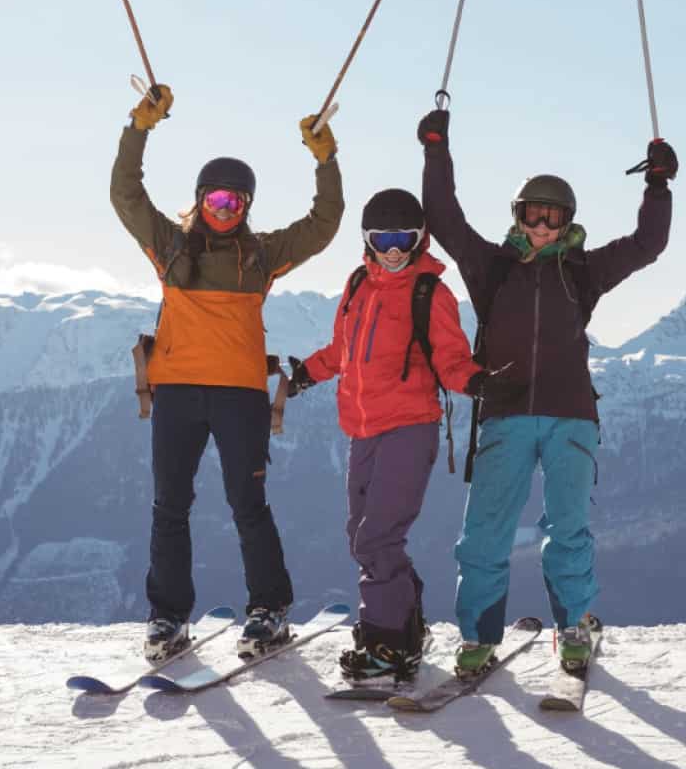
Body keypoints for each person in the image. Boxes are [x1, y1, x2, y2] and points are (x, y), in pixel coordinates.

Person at [415, 106, 675, 677]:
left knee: (568, 530)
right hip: (505, 414)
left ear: (567, 222)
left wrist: (657, 185)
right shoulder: (491, 267)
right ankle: (478, 637)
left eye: (553, 217)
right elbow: (444, 216)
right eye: (534, 214)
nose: (542, 225)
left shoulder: (582, 271)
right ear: (518, 216)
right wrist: (436, 149)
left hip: (570, 417)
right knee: (484, 533)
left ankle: (574, 628)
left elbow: (648, 244)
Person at [110, 84, 343, 661]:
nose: (224, 211)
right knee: (170, 506)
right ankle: (167, 617)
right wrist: (139, 127)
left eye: (235, 204)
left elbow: (325, 222)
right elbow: (126, 194)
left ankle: (268, 609)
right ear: (199, 199)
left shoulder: (260, 255)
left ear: (247, 208)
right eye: (215, 201)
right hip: (180, 393)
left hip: (239, 396)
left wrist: (325, 160)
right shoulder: (169, 246)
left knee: (248, 505)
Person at [284, 188, 512, 687]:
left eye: (403, 239)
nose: (393, 250)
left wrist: (476, 382)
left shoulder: (430, 293)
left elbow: (450, 358)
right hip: (362, 430)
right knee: (360, 536)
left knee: (378, 536)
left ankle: (385, 642)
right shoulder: (358, 285)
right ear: (367, 240)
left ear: (419, 239)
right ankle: (405, 627)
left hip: (410, 427)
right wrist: (306, 374)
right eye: (383, 239)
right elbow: (343, 351)